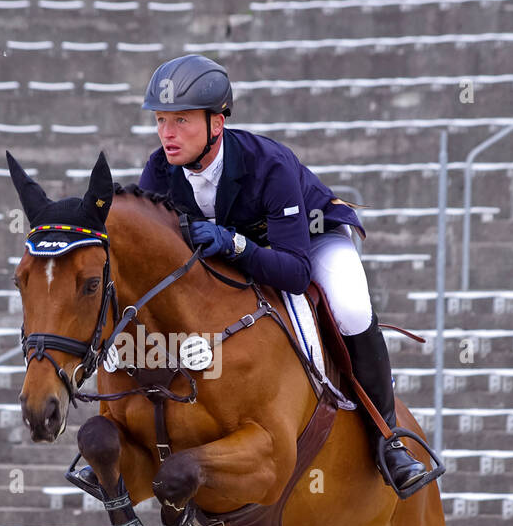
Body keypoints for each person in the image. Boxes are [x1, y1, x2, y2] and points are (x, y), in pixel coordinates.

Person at [137, 53, 431, 495]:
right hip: (237, 250)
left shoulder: (267, 164)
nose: (167, 134)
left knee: (350, 308)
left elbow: (294, 273)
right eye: (161, 121)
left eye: (180, 120)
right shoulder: (158, 173)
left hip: (311, 240)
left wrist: (235, 244)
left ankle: (388, 439)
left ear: (217, 123)